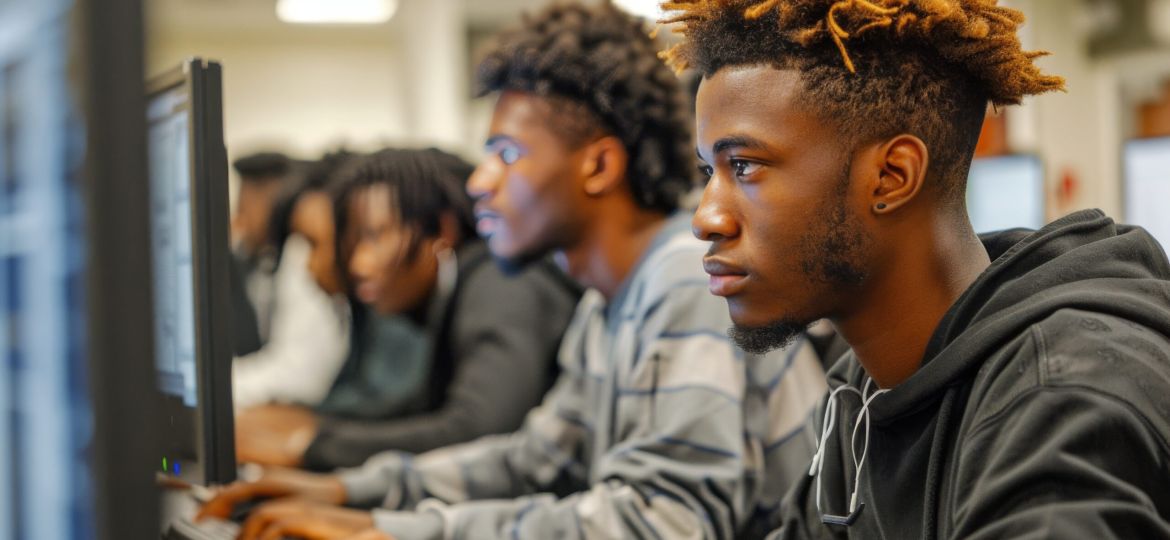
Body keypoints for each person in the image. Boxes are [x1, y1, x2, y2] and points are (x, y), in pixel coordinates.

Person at [198, 3, 827, 539]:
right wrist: (347, 492)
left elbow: (660, 522)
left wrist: (387, 530)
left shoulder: (683, 279)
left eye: (506, 154)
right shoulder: (606, 303)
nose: (479, 181)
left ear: (599, 167)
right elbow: (534, 460)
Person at [666, 0, 1170, 537]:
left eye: (743, 166)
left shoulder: (1062, 395)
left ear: (891, 176)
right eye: (707, 170)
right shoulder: (860, 391)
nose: (706, 218)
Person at [237, 147, 580, 471]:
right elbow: (418, 412)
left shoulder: (502, 285)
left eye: (373, 236)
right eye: (351, 244)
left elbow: (480, 430)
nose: (357, 264)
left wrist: (312, 447)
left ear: (441, 230)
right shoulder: (454, 291)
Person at [231, 152, 351, 410]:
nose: (241, 215)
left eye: (248, 202)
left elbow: (303, 375)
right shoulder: (253, 256)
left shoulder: (300, 250)